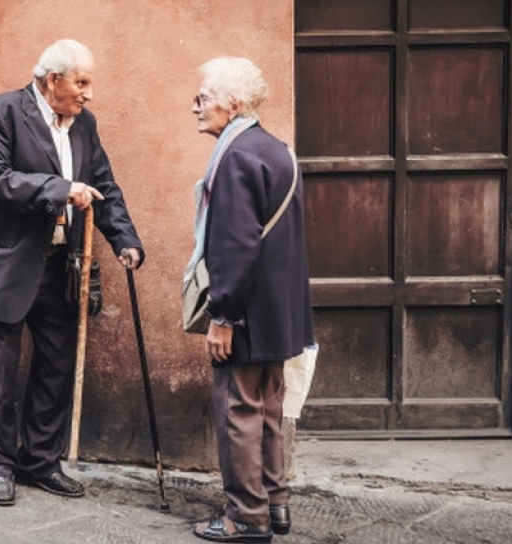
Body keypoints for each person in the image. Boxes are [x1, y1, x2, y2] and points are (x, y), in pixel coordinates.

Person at [0, 39, 144, 507]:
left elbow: (103, 184)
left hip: (61, 267)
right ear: (53, 79)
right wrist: (60, 189)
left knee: (56, 369)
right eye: (82, 82)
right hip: (2, 265)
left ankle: (40, 461)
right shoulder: (0, 113)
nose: (89, 93)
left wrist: (125, 239)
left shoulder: (85, 124)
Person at [187, 57, 314, 543]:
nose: (196, 107)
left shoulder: (236, 156)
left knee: (238, 411)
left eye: (203, 98)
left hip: (245, 312)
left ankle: (246, 516)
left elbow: (235, 245)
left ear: (234, 104)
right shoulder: (277, 150)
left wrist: (223, 316)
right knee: (268, 409)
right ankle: (275, 503)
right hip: (277, 313)